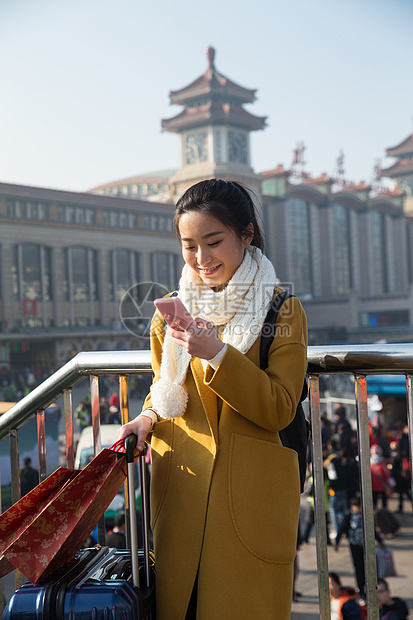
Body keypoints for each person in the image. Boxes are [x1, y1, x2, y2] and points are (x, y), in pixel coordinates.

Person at [118, 179, 308, 619]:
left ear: (246, 234)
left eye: (213, 241)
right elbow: (164, 388)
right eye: (189, 245)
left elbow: (280, 406)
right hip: (181, 483)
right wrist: (146, 417)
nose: (202, 259)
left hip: (247, 493)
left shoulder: (282, 309)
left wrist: (218, 355)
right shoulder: (171, 311)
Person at [335, 495, 385, 605]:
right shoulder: (348, 514)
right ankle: (362, 592)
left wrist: (380, 541)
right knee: (359, 569)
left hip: (366, 545)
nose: (359, 509)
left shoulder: (366, 515)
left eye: (360, 506)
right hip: (354, 546)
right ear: (352, 506)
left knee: (370, 567)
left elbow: (372, 529)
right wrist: (337, 542)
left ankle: (373, 590)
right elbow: (342, 528)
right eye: (357, 507)